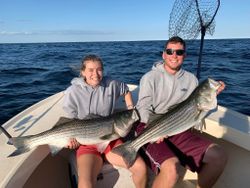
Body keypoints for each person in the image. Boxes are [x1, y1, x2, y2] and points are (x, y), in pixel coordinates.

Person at [136, 36, 227, 188]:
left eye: (179, 52)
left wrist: (213, 94)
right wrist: (154, 128)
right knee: (172, 170)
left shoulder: (192, 80)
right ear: (163, 54)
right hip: (150, 127)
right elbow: (143, 107)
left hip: (178, 128)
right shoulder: (150, 77)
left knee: (219, 156)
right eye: (170, 51)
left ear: (184, 55)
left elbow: (199, 107)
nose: (174, 55)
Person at [63, 54, 147, 188]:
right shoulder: (72, 92)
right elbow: (69, 121)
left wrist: (131, 108)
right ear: (83, 72)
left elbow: (125, 90)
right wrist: (70, 141)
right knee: (85, 184)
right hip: (86, 142)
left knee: (140, 167)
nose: (95, 74)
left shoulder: (111, 84)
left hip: (111, 140)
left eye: (99, 69)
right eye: (90, 70)